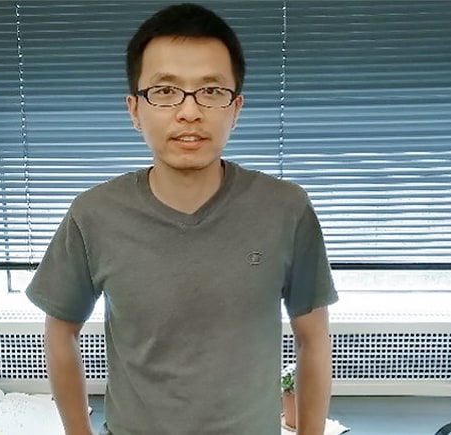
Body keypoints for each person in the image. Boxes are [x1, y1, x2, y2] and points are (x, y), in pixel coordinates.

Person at [25, 4, 338, 434]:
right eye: (165, 91)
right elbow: (60, 332)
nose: (189, 112)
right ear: (135, 109)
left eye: (211, 92)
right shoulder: (93, 214)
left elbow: (313, 339)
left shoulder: (286, 209)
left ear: (236, 108)